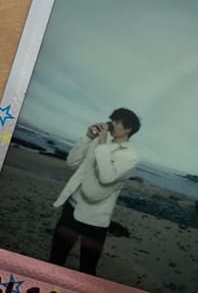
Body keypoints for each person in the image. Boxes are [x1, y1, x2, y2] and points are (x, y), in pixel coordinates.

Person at [49, 108, 141, 275]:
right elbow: (71, 163)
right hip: (72, 208)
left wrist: (102, 144)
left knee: (87, 268)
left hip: (96, 219)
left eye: (117, 122)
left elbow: (106, 177)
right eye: (112, 119)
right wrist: (88, 138)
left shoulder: (130, 156)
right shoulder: (100, 143)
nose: (112, 123)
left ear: (128, 129)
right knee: (56, 258)